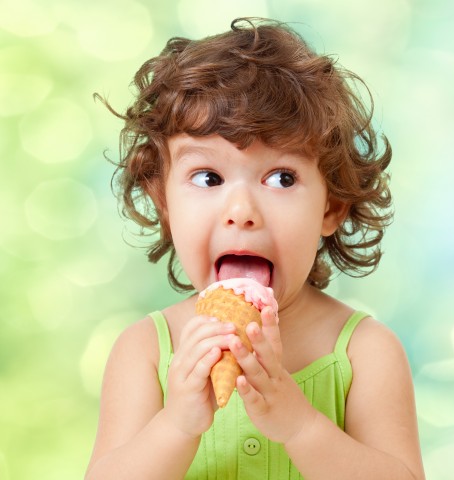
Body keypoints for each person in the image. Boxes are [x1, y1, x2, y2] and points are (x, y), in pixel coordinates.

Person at [86, 17, 425, 480]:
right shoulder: (146, 351)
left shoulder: (365, 353)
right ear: (164, 201)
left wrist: (301, 426)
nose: (241, 210)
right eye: (208, 178)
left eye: (282, 178)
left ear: (333, 206)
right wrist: (176, 425)